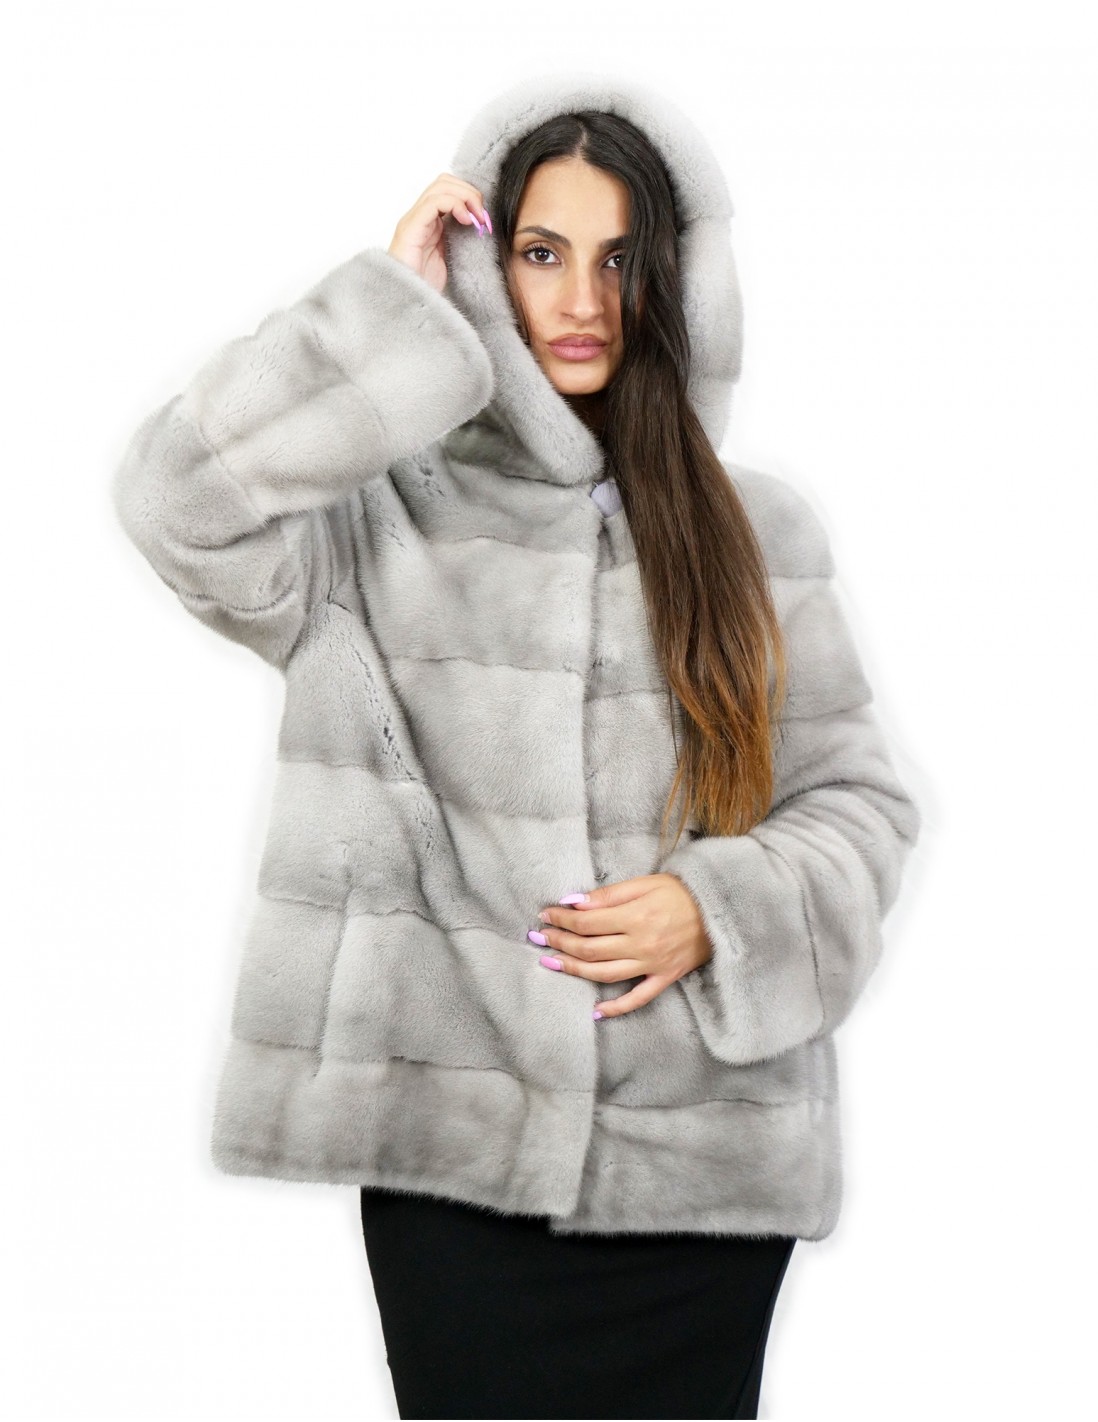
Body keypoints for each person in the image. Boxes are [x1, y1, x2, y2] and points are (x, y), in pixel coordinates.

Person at [112, 72, 921, 1421]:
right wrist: (390, 317)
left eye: (621, 259)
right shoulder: (377, 515)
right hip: (460, 1177)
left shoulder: (757, 531)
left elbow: (857, 806)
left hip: (702, 1177)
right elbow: (175, 501)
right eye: (541, 254)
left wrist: (715, 908)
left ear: (676, 281)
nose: (583, 299)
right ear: (491, 270)